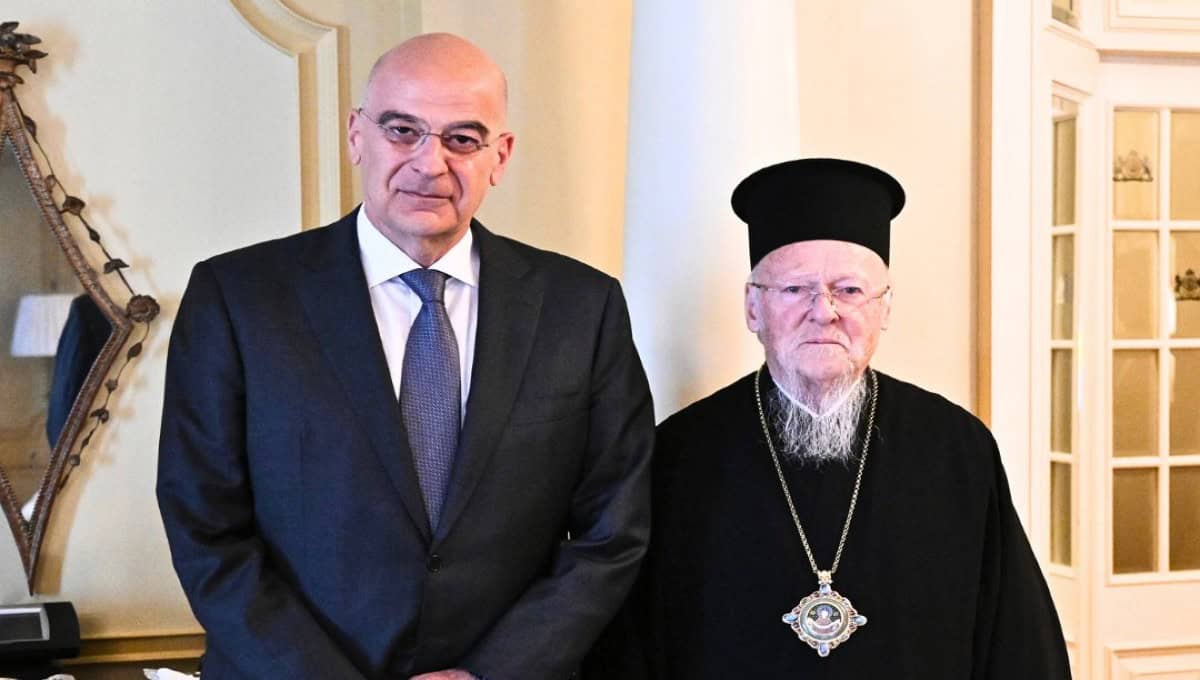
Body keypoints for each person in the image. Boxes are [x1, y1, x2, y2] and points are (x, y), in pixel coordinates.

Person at [157, 33, 653, 680]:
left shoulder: (582, 308)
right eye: (402, 130)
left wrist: (489, 674)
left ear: (500, 156)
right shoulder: (238, 299)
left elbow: (611, 530)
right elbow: (205, 525)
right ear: (356, 136)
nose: (430, 164)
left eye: (462, 139)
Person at [585, 158, 1071, 679]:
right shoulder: (679, 455)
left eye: (850, 290)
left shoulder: (956, 448)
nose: (824, 311)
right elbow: (630, 648)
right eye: (795, 289)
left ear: (885, 308)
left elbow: (1014, 642)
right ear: (753, 308)